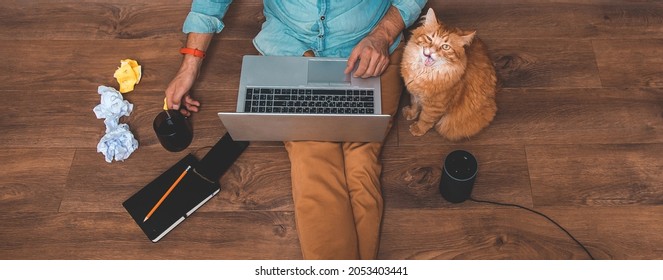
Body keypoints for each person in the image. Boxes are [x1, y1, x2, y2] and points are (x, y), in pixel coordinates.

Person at [165, 0, 427, 260]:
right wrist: (190, 65)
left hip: (370, 49)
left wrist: (383, 34)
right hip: (291, 45)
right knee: (312, 158)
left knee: (361, 160)